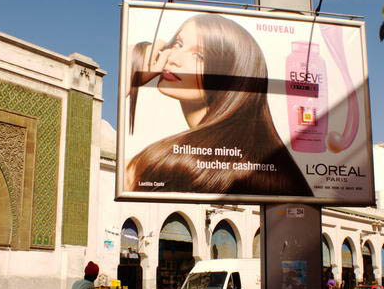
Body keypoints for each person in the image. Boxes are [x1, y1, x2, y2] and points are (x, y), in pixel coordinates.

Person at [126, 13, 313, 197]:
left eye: (199, 56)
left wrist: (127, 75)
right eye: (178, 44)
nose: (174, 59)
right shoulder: (275, 163)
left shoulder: (159, 162)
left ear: (231, 76)